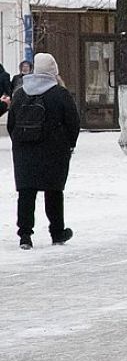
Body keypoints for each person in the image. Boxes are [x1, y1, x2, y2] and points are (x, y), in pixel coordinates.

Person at [4, 53, 80, 249]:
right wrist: (69, 144)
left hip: (24, 152)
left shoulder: (20, 93)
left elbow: (11, 124)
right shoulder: (60, 93)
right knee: (54, 192)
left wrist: (21, 144)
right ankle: (57, 232)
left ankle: (25, 236)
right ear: (53, 71)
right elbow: (73, 122)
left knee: (26, 193)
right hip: (54, 151)